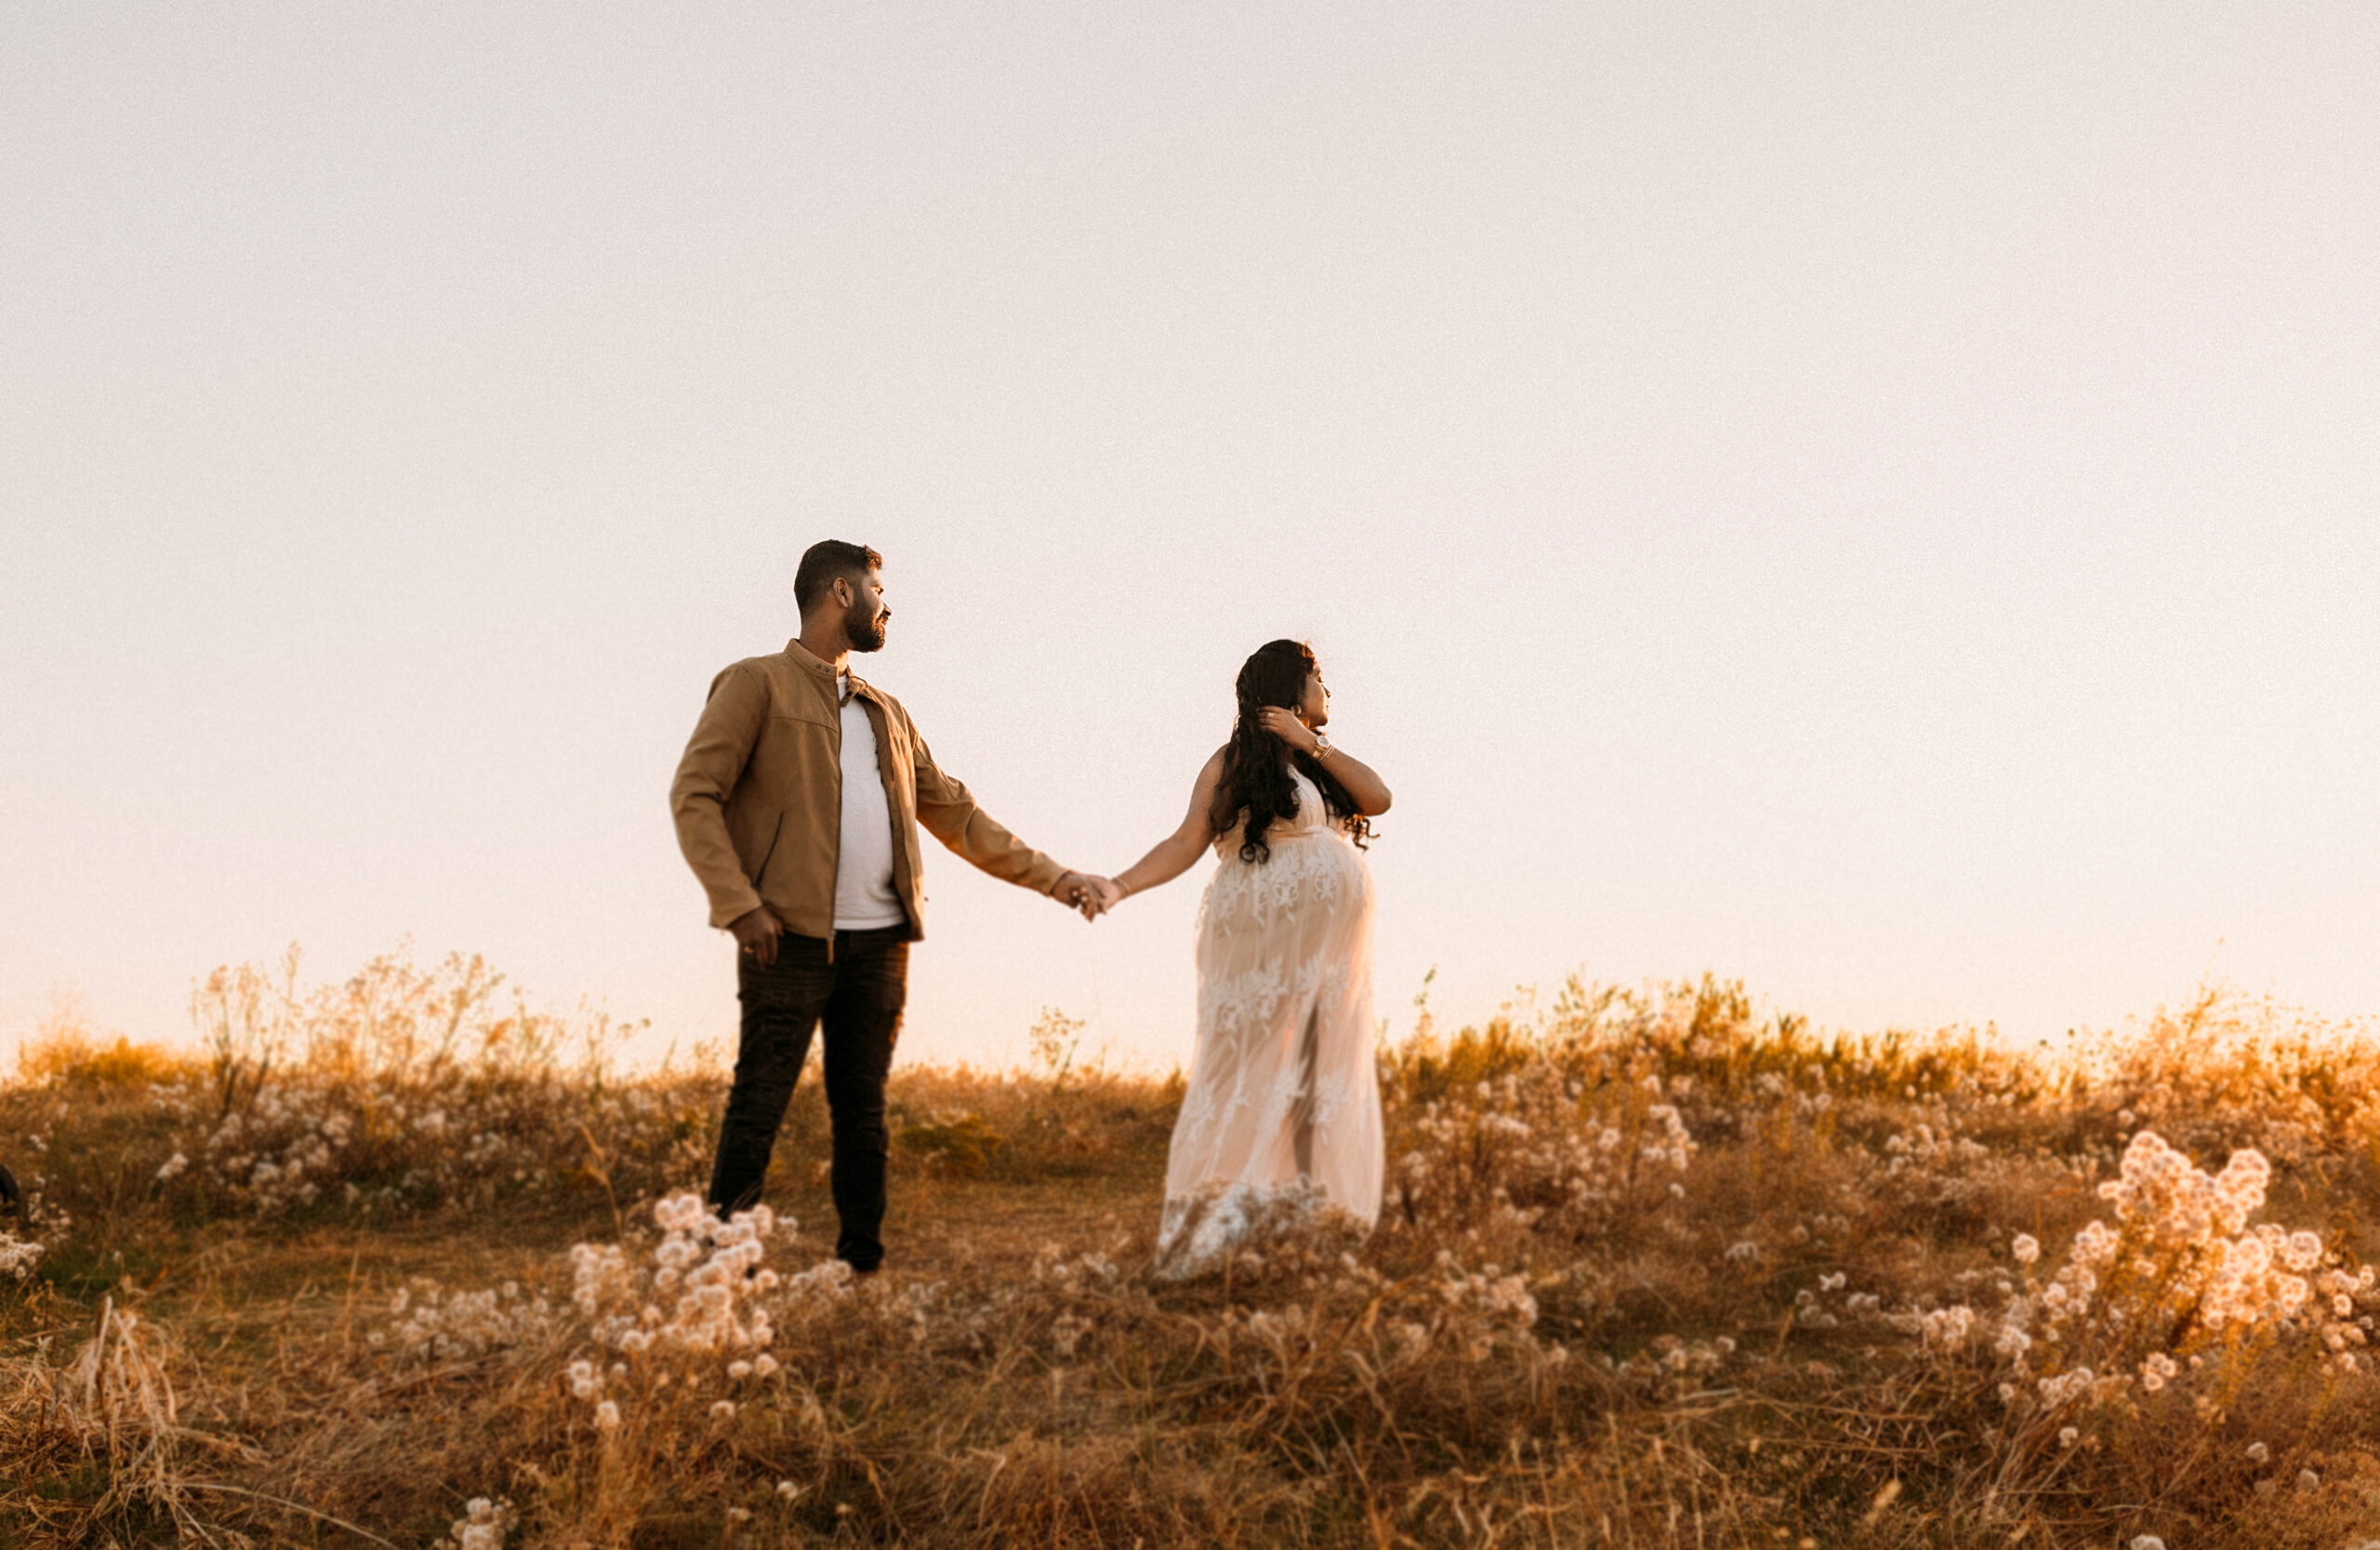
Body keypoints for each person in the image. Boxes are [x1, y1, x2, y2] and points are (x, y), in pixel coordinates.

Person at [671, 539, 1110, 1273]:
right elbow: (695, 794)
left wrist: (1058, 877)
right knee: (758, 1105)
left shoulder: (888, 712)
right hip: (787, 938)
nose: (889, 603)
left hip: (880, 944)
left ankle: (860, 1268)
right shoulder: (757, 684)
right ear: (842, 593)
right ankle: (723, 1273)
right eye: (879, 587)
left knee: (863, 1113)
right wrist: (739, 904)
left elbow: (960, 816)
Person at [1091, 639, 1393, 1276]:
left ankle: (1305, 1220)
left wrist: (1310, 743)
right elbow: (1185, 841)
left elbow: (1381, 797)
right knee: (1253, 1065)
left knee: (1316, 1068)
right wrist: (1119, 885)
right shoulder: (1232, 762)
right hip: (1256, 937)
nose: (1327, 691)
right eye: (1317, 678)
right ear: (1291, 688)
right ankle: (1226, 1222)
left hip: (1330, 953)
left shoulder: (1320, 766)